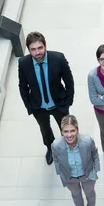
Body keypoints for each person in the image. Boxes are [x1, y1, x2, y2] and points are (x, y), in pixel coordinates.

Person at [18, 31, 74, 165]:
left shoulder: (58, 58)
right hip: (38, 107)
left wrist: (68, 101)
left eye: (40, 48)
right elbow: (23, 86)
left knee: (66, 128)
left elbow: (69, 81)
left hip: (59, 103)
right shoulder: (23, 63)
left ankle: (68, 147)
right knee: (44, 129)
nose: (37, 52)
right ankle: (50, 147)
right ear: (29, 50)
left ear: (45, 46)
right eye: (33, 49)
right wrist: (29, 106)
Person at [52, 115, 99, 206]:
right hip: (70, 178)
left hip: (87, 176)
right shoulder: (56, 145)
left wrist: (95, 169)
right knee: (76, 195)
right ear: (61, 132)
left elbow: (95, 153)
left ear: (77, 130)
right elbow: (56, 159)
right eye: (66, 131)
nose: (69, 135)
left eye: (72, 130)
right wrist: (60, 173)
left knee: (90, 194)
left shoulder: (87, 141)